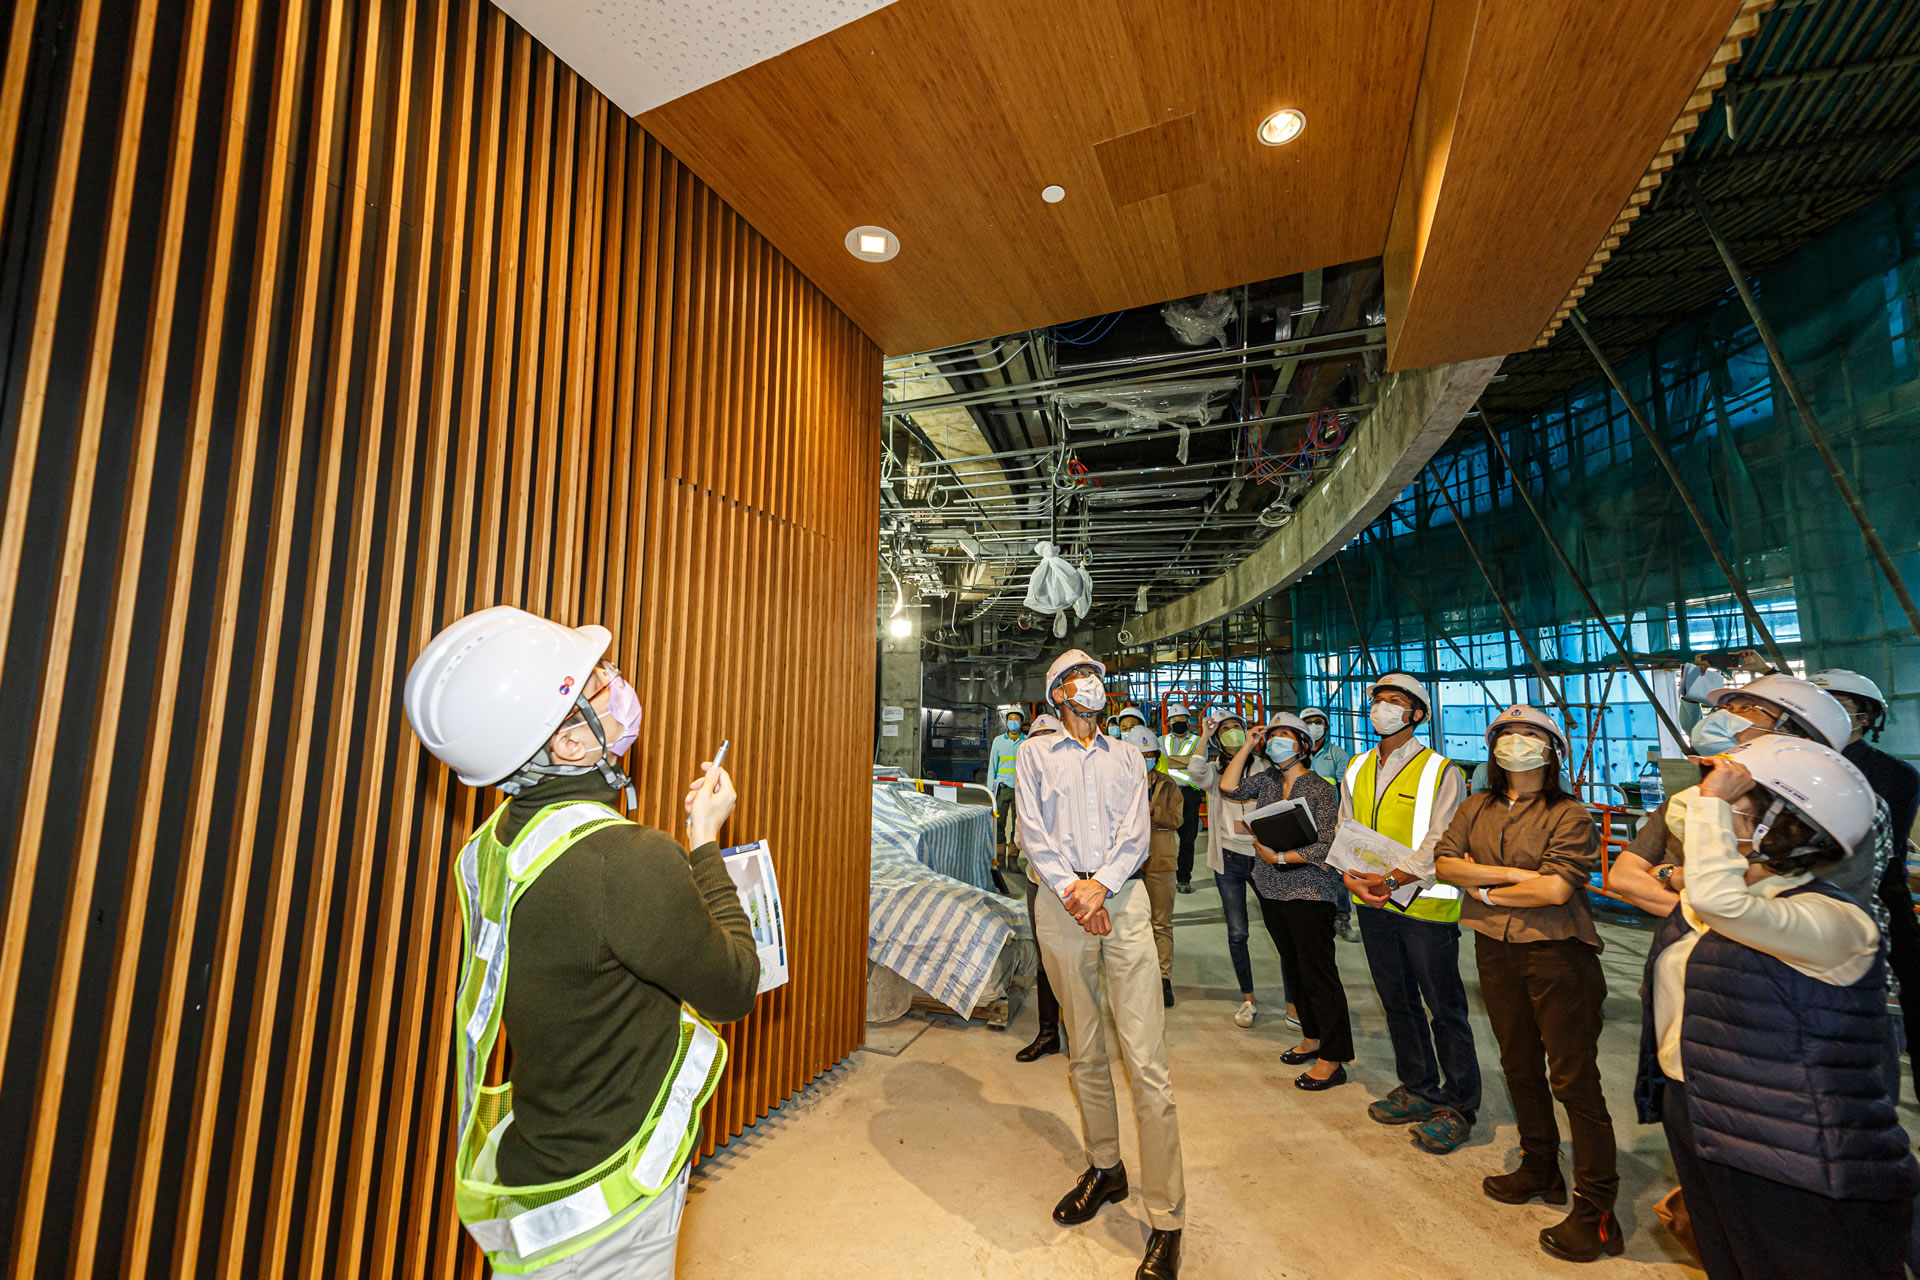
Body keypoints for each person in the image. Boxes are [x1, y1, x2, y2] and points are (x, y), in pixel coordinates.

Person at [403, 606, 759, 1277]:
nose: (617, 678)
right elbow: (735, 985)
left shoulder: (493, 844)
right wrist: (705, 842)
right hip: (607, 1192)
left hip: (538, 1154)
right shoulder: (625, 860)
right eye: (598, 681)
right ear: (567, 745)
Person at [1634, 735, 1919, 1279]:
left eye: (1740, 802)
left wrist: (1714, 800)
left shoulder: (1834, 922)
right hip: (1712, 1121)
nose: (1712, 805)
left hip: (1798, 1159)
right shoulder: (1740, 899)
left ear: (1784, 827)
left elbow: (1720, 901)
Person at [1018, 649, 1185, 1280]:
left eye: (1097, 677)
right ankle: (1106, 1167)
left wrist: (1103, 886)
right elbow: (1032, 832)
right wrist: (1072, 890)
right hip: (1062, 905)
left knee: (1147, 1063)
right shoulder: (1034, 753)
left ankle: (1167, 1218)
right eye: (1077, 676)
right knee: (1084, 1048)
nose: (1091, 684)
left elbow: (1135, 831)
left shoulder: (1125, 755)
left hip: (1124, 899)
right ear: (1058, 692)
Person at [1434, 705, 1620, 1261]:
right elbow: (1445, 865)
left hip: (1558, 956)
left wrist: (1484, 888)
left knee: (1574, 1079)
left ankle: (1596, 1208)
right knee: (1517, 1062)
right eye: (1507, 734)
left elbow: (1557, 892)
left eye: (1531, 734)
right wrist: (1515, 877)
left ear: (1552, 749)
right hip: (1495, 951)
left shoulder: (1569, 814)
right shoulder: (1476, 805)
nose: (1517, 742)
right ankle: (1540, 1166)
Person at [1337, 673, 1480, 1155]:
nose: (1382, 708)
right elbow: (1346, 825)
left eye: (1395, 702)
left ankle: (1458, 1105)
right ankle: (1418, 1087)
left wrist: (1395, 879)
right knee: (1396, 999)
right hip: (1371, 901)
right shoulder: (1356, 766)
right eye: (1378, 700)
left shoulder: (1441, 770)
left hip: (1424, 905)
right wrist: (1349, 874)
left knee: (1444, 1008)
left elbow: (1439, 838)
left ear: (1417, 714)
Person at [1609, 673, 1853, 918]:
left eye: (1746, 709)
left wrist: (1672, 876)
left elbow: (1826, 907)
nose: (1723, 716)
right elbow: (1623, 877)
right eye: (1725, 707)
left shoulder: (1833, 808)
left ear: (1798, 734)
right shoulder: (1692, 797)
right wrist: (1706, 916)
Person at [1217, 713, 1352, 1089]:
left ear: (1303, 745)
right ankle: (1312, 1037)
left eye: (1285, 736)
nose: (1277, 741)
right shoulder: (1267, 780)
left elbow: (1327, 846)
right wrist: (1248, 743)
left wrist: (1280, 857)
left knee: (1318, 972)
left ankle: (1334, 1057)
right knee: (1293, 968)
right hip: (1272, 889)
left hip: (1309, 889)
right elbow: (1229, 788)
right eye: (1272, 736)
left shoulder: (1320, 787)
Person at [1812, 667, 1920, 1101]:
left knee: (1910, 982)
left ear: (1867, 717)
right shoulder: (1787, 764)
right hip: (1803, 898)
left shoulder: (1895, 775)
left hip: (1878, 895)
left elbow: (1874, 850)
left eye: (1841, 705)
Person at [1184, 710, 1268, 1028]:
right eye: (1226, 730)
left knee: (1280, 931)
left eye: (1237, 727)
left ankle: (1293, 1002)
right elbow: (1194, 769)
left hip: (1264, 859)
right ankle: (1248, 1000)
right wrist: (1204, 734)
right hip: (1229, 861)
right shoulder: (1216, 773)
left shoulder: (1264, 767)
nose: (1232, 732)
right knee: (1238, 933)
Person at [1016, 713, 1068, 1062]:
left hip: (1077, 883)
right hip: (1039, 881)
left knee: (1079, 961)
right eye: (1037, 739)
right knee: (1046, 959)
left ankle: (1080, 1035)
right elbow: (1023, 837)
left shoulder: (1073, 781)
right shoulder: (1026, 787)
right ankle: (1048, 1034)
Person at [1125, 725, 1185, 1008]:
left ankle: (1163, 979)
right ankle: (1136, 977)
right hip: (1127, 864)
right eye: (1141, 754)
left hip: (1161, 860)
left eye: (1150, 754)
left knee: (1161, 923)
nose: (1146, 758)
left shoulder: (1168, 784)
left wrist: (1153, 811)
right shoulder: (1119, 782)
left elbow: (1177, 820)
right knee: (1130, 924)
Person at [1302, 707, 1361, 944]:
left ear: (1326, 726)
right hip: (1302, 823)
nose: (1315, 726)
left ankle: (1342, 919)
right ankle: (1314, 918)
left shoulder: (1337, 755)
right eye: (1309, 722)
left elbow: (1345, 792)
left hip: (1331, 823)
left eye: (1319, 722)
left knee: (1337, 873)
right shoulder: (1296, 754)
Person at [1159, 704, 1206, 894]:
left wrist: (1175, 760)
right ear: (1169, 722)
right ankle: (1163, 877)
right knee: (1162, 838)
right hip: (1166, 794)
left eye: (1181, 719)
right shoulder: (1161, 740)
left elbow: (1198, 762)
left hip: (1190, 795)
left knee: (1188, 840)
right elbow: (1163, 762)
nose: (1178, 722)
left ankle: (1184, 879)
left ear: (1188, 721)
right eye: (1174, 720)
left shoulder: (1197, 740)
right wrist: (1186, 760)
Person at [989, 706, 1027, 868]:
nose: (1013, 722)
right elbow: (993, 765)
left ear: (1021, 722)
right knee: (999, 822)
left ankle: (1013, 859)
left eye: (1016, 719)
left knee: (1018, 824)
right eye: (1010, 719)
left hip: (1021, 789)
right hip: (1002, 787)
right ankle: (1000, 858)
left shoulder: (1027, 742)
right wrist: (990, 789)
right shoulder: (998, 741)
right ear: (1006, 722)